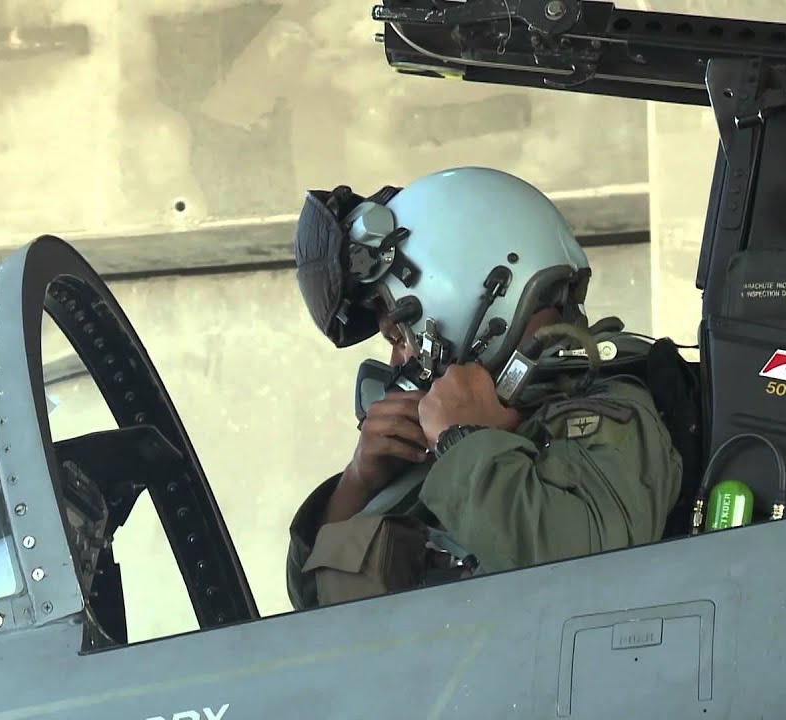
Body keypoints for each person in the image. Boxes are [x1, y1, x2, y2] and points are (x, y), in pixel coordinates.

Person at [285, 166, 684, 610]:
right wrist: (359, 482)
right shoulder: (458, 441)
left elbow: (589, 577)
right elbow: (315, 612)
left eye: (399, 336)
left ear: (459, 291)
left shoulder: (611, 410)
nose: (398, 361)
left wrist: (466, 440)